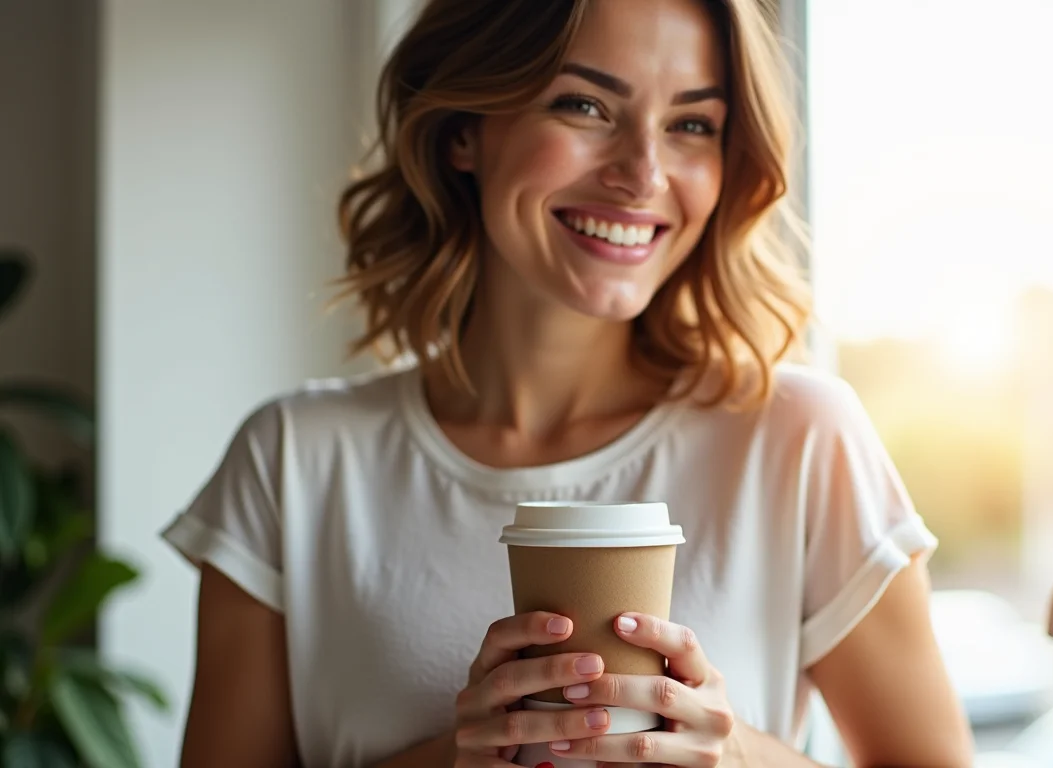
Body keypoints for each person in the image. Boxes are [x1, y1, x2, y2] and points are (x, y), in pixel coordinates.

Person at [162, 0, 975, 765]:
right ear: (462, 131)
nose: (643, 173)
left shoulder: (799, 439)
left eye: (692, 124)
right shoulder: (294, 462)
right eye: (585, 106)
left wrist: (734, 755)